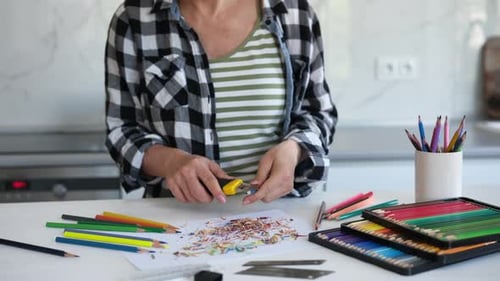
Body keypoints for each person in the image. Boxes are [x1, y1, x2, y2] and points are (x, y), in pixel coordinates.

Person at [104, 0, 338, 205]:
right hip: (177, 225)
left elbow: (318, 113)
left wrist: (295, 149)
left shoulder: (295, 12)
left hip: (279, 220)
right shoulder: (133, 18)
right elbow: (122, 130)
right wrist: (171, 162)